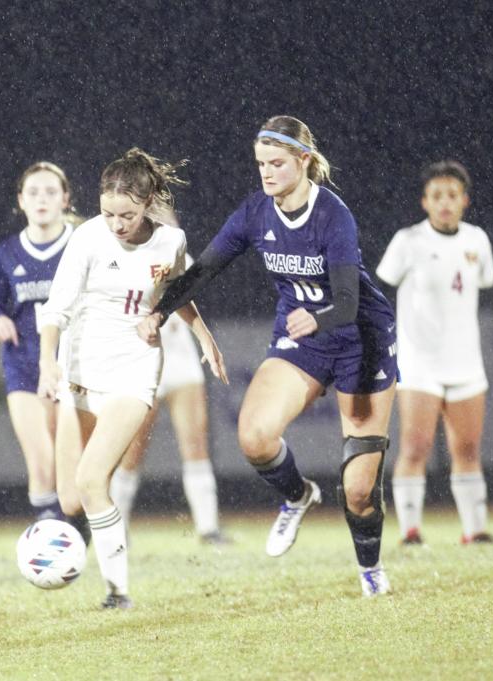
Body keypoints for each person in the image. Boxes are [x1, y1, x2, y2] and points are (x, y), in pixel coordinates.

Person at [139, 116, 399, 597]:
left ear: (304, 160)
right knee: (255, 437)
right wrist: (159, 311)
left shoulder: (333, 215)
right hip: (303, 337)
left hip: (360, 338)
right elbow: (203, 271)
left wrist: (317, 318)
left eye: (277, 163)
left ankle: (370, 572)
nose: (266, 172)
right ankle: (298, 497)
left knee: (360, 490)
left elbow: (346, 301)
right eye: (260, 164)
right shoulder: (256, 212)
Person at [37, 148, 228, 610]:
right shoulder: (86, 238)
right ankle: (95, 558)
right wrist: (47, 360)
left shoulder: (170, 241)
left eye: (127, 215)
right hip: (81, 370)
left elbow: (180, 292)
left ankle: (117, 592)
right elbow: (57, 306)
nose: (117, 224)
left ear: (147, 206)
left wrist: (204, 336)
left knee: (91, 479)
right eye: (108, 213)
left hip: (135, 369)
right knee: (69, 499)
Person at [375, 160, 493, 546]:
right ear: (424, 202)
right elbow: (379, 293)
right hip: (418, 363)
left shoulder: (476, 240)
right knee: (415, 446)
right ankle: (410, 531)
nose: (445, 202)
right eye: (437, 196)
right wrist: (375, 340)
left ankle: (473, 530)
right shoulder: (408, 241)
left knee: (467, 447)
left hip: (465, 362)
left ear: (465, 201)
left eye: (452, 195)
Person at [109, 256, 229, 545]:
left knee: (196, 445)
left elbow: (188, 293)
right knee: (131, 452)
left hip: (181, 361)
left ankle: (208, 529)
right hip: (141, 359)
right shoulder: (115, 254)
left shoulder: (175, 250)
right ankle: (115, 530)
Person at [0, 161, 76, 522]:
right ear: (20, 200)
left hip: (72, 364)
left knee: (71, 464)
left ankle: (76, 526)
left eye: (51, 192)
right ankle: (50, 532)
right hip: (23, 363)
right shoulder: (5, 254)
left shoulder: (81, 245)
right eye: (33, 192)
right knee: (41, 462)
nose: (42, 199)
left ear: (65, 199)